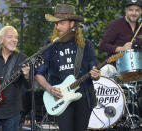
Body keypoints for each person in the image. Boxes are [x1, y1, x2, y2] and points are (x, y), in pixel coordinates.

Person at [34, 3, 100, 131]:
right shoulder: (50, 46)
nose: (57, 26)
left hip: (83, 97)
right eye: (56, 23)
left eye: (61, 23)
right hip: (61, 96)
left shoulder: (86, 46)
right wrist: (49, 88)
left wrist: (96, 74)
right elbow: (38, 73)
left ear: (72, 24)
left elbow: (94, 69)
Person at [100, 0, 142, 123]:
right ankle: (101, 116)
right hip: (115, 67)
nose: (134, 13)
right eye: (131, 10)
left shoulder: (140, 29)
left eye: (137, 10)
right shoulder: (116, 25)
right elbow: (103, 45)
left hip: (136, 70)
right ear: (126, 10)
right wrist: (120, 48)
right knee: (103, 71)